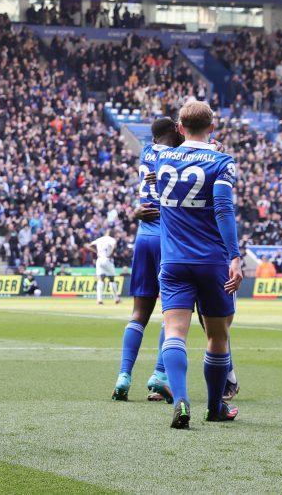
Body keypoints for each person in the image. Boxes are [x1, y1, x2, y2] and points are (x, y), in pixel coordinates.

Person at [156, 101, 242, 429]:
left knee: (175, 332)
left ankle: (180, 398)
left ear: (179, 128)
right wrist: (234, 255)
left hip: (174, 260)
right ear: (212, 127)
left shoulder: (162, 156)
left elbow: (154, 150)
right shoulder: (221, 163)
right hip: (211, 261)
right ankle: (215, 406)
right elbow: (223, 209)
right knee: (217, 336)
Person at [112, 117, 182, 402]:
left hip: (143, 237)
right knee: (172, 313)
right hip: (169, 238)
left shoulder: (146, 151)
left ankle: (123, 377)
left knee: (139, 313)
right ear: (172, 133)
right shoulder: (177, 156)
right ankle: (159, 376)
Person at [87, 229, 120, 305]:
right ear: (113, 234)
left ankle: (99, 300)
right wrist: (111, 254)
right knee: (111, 279)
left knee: (101, 279)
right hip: (107, 259)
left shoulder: (100, 239)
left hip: (99, 260)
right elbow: (114, 246)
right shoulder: (112, 239)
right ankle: (116, 299)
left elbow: (89, 246)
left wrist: (97, 252)